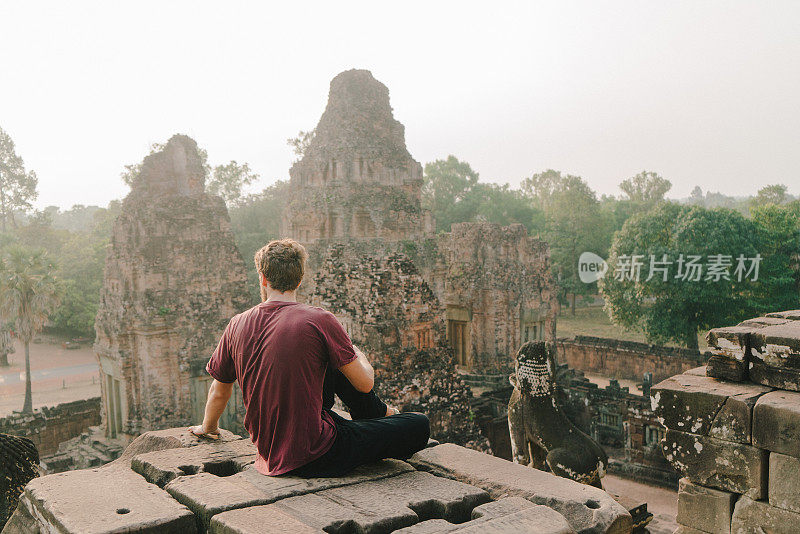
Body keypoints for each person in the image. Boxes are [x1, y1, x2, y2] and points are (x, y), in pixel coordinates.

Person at [189, 238, 430, 477]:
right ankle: (377, 416)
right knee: (419, 424)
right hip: (317, 454)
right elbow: (364, 383)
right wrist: (357, 353)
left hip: (268, 451)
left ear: (262, 278)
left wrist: (208, 427)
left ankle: (375, 415)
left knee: (332, 365)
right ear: (300, 279)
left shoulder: (236, 323)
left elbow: (219, 389)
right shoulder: (318, 319)